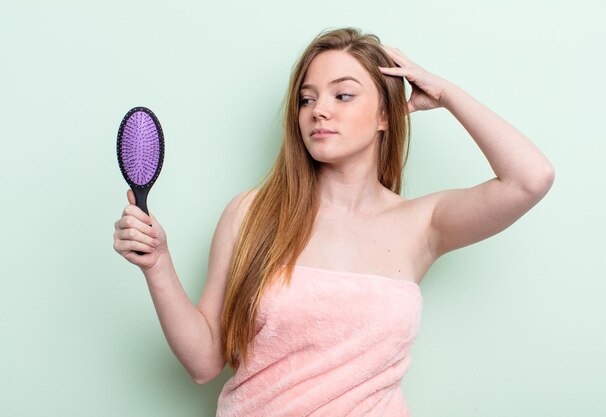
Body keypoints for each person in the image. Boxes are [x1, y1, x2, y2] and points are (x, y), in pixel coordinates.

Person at [113, 27, 554, 416]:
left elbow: (530, 178)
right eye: (308, 98)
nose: (319, 110)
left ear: (386, 114)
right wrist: (157, 264)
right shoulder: (249, 213)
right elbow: (204, 362)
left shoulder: (422, 223)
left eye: (342, 95)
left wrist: (446, 93)